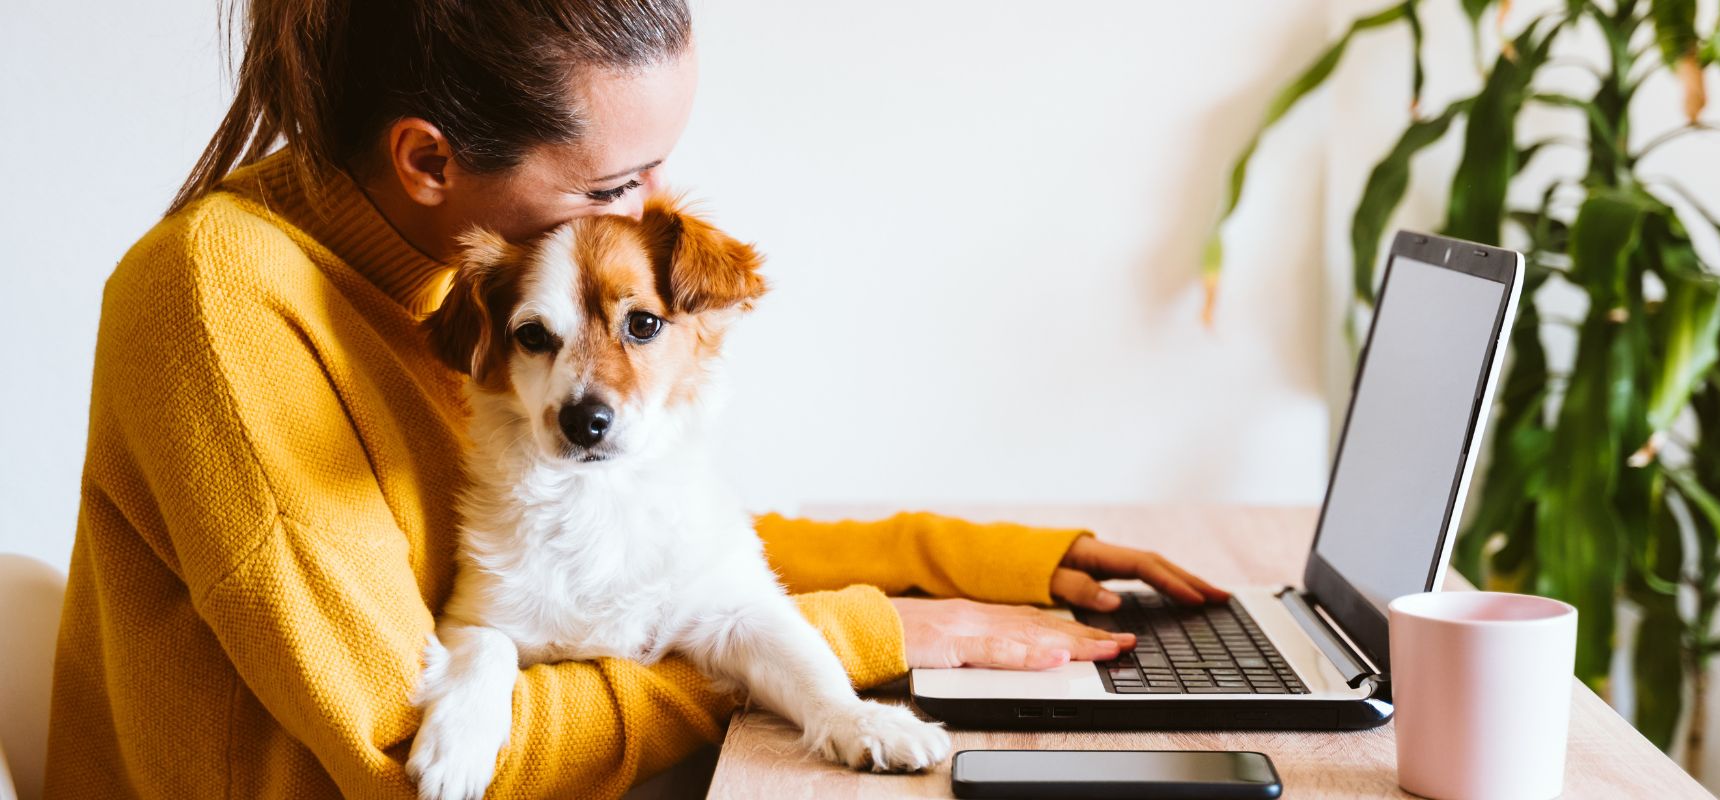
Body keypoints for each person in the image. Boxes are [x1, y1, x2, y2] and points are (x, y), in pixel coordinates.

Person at [43, 1, 1230, 797]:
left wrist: (979, 560)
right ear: (427, 161)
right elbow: (403, 748)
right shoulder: (222, 300)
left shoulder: (458, 290)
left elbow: (646, 546)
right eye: (619, 177)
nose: (652, 211)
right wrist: (856, 637)